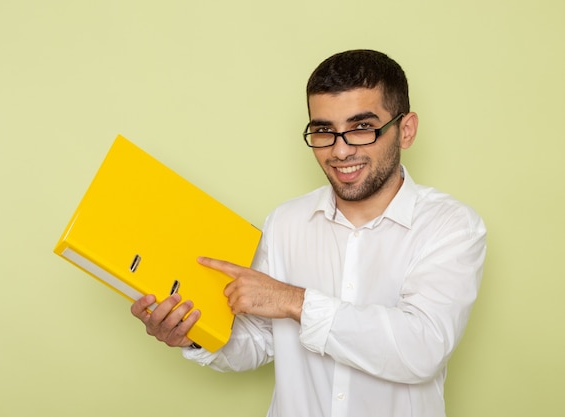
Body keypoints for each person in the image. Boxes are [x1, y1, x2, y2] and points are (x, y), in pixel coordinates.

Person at [131, 49, 487, 417]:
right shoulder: (285, 221)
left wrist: (294, 301)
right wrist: (194, 334)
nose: (341, 150)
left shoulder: (451, 226)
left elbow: (421, 349)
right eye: (323, 131)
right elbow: (259, 341)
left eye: (362, 127)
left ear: (406, 129)